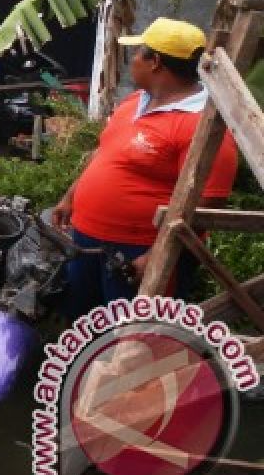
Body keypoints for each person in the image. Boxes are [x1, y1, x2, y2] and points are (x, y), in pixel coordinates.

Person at [51, 17, 239, 319]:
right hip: (86, 240)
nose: (132, 60)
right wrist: (70, 197)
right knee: (80, 329)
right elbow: (105, 153)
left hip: (135, 253)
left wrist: (156, 258)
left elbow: (208, 204)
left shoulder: (203, 125)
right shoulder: (137, 100)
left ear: (157, 63)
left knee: (135, 345)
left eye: (139, 53)